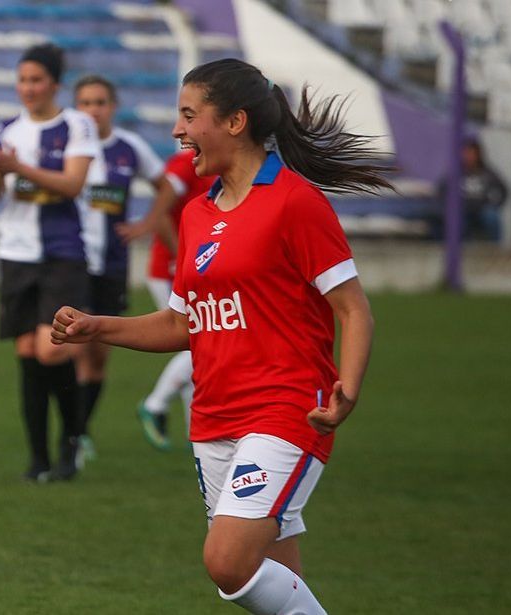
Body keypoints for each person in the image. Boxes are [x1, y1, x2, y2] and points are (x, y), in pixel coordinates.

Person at [51, 58, 388, 614]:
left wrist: (344, 392)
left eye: (188, 115)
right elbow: (184, 323)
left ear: (234, 122)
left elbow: (353, 309)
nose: (178, 130)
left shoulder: (293, 202)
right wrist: (96, 326)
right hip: (213, 417)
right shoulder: (197, 215)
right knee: (276, 574)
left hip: (285, 410)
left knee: (227, 563)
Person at [0, 43, 99, 482]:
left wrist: (20, 167)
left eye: (36, 80)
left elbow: (71, 185)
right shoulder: (6, 129)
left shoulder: (77, 125)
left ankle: (71, 440)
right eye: (22, 79)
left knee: (52, 349)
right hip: (15, 252)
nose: (28, 88)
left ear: (54, 83)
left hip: (61, 252)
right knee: (27, 351)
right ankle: (38, 459)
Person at [71, 74, 166, 460]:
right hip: (73, 259)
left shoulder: (129, 148)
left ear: (113, 106)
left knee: (98, 353)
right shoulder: (67, 146)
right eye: (86, 103)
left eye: (100, 102)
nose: (93, 110)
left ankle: (81, 428)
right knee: (70, 346)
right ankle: (73, 435)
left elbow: (167, 184)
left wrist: (147, 223)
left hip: (112, 262)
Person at [117, 147, 216, 450]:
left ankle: (194, 430)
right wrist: (180, 255)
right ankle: (156, 404)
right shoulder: (187, 163)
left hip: (188, 268)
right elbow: (162, 200)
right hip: (169, 270)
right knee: (196, 341)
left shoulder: (215, 165)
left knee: (197, 344)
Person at [437, 136, 508, 240]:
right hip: (462, 210)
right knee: (455, 220)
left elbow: (503, 190)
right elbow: (442, 190)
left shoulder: (487, 173)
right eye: (466, 153)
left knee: (492, 216)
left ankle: (496, 249)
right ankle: (462, 249)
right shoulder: (455, 173)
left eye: (472, 153)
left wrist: (495, 204)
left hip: (482, 209)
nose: (468, 157)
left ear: (478, 154)